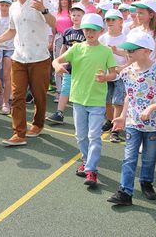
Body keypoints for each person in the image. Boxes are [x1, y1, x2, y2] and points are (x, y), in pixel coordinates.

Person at [0, 0, 56, 146]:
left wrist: (44, 10)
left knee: (39, 96)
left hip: (40, 58)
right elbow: (12, 30)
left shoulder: (40, 0)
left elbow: (53, 23)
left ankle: (38, 124)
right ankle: (19, 133)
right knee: (18, 96)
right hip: (18, 57)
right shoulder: (12, 7)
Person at [53, 13, 117, 187]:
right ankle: (86, 160)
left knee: (94, 136)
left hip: (96, 101)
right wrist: (58, 65)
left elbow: (113, 73)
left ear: (100, 31)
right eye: (87, 30)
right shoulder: (77, 48)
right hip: (79, 99)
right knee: (81, 136)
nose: (90, 33)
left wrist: (106, 77)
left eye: (94, 30)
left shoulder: (105, 51)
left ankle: (91, 169)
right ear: (82, 30)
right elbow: (57, 60)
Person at [107, 30, 156, 206]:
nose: (129, 52)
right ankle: (125, 192)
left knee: (149, 157)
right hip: (133, 122)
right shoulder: (127, 72)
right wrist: (121, 117)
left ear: (147, 50)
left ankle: (146, 182)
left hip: (155, 124)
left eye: (133, 49)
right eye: (128, 49)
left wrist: (152, 108)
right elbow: (129, 96)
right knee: (129, 157)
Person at [46, 3, 86, 124]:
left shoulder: (86, 31)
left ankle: (84, 115)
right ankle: (59, 113)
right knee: (65, 89)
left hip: (82, 67)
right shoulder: (68, 31)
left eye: (79, 15)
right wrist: (60, 61)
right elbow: (64, 47)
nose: (76, 17)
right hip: (69, 66)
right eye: (73, 15)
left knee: (81, 91)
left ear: (84, 16)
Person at [99, 9, 127, 143]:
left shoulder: (126, 38)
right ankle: (110, 121)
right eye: (108, 20)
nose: (110, 22)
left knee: (118, 102)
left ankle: (115, 129)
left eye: (113, 19)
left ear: (121, 21)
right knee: (107, 100)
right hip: (107, 74)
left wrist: (117, 51)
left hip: (121, 74)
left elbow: (130, 56)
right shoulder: (102, 37)